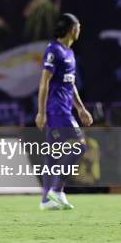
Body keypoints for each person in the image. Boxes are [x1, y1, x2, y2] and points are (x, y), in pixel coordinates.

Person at [35, 13, 93, 210]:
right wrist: (41, 112)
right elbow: (44, 83)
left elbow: (70, 84)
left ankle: (45, 200)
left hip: (66, 108)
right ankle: (57, 190)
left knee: (52, 155)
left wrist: (81, 108)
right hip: (56, 110)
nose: (80, 29)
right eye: (78, 26)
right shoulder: (53, 51)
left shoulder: (69, 52)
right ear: (70, 28)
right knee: (80, 146)